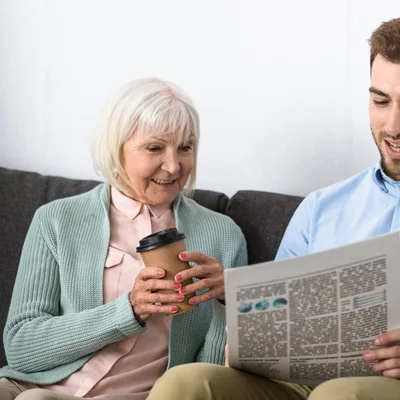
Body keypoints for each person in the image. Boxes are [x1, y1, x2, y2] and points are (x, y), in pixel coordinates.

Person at [148, 15, 400, 400]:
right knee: (185, 384)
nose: (394, 125)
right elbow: (280, 314)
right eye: (380, 100)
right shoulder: (322, 206)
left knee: (342, 394)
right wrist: (242, 303)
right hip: (298, 382)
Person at [0, 78, 247, 400]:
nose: (173, 166)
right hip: (30, 385)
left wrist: (228, 306)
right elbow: (21, 346)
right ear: (115, 149)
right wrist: (128, 310)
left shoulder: (223, 235)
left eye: (185, 147)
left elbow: (206, 378)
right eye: (155, 148)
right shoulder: (57, 219)